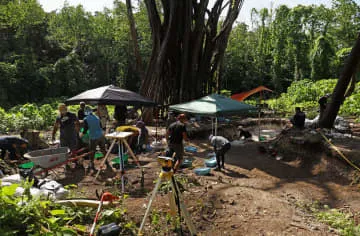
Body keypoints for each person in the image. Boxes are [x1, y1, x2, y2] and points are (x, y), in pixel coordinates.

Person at [80, 107, 108, 172]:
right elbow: (101, 126)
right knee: (103, 149)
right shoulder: (97, 117)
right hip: (100, 136)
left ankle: (92, 164)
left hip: (93, 137)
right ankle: (106, 160)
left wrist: (81, 135)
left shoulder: (86, 119)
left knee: (92, 151)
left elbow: (85, 129)